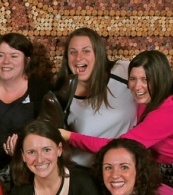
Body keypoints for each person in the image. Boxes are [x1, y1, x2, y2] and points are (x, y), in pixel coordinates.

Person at [61, 50, 173, 195]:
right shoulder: (157, 92)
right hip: (168, 170)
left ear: (160, 78)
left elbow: (119, 147)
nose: (137, 86)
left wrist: (69, 136)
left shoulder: (169, 112)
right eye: (133, 79)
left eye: (145, 79)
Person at [53, 27, 137, 167]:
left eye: (86, 51)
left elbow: (161, 85)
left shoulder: (122, 71)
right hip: (82, 171)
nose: (79, 57)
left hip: (123, 167)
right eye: (73, 52)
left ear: (98, 54)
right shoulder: (62, 94)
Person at [0, 32, 50, 185]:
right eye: (1, 55)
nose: (6, 61)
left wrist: (23, 150)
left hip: (31, 174)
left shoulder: (42, 91)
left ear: (27, 60)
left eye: (14, 56)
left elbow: (50, 134)